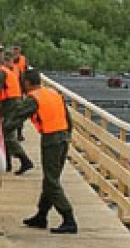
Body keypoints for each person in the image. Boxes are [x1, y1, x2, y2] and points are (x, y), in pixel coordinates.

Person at [8, 69, 78, 234]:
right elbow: (69, 120)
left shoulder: (34, 99)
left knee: (52, 182)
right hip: (63, 138)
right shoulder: (54, 93)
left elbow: (17, 117)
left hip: (51, 140)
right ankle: (41, 215)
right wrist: (67, 136)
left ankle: (69, 218)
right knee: (50, 179)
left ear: (27, 83)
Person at [0, 53, 33, 175]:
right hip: (11, 102)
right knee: (5, 132)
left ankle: (24, 160)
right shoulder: (5, 71)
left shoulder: (1, 73)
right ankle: (7, 162)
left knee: (7, 134)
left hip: (12, 103)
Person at [12, 46, 27, 142]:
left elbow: (24, 74)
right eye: (15, 50)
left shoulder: (23, 60)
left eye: (17, 51)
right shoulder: (8, 62)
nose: (16, 53)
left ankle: (19, 133)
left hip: (19, 91)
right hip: (9, 92)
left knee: (19, 113)